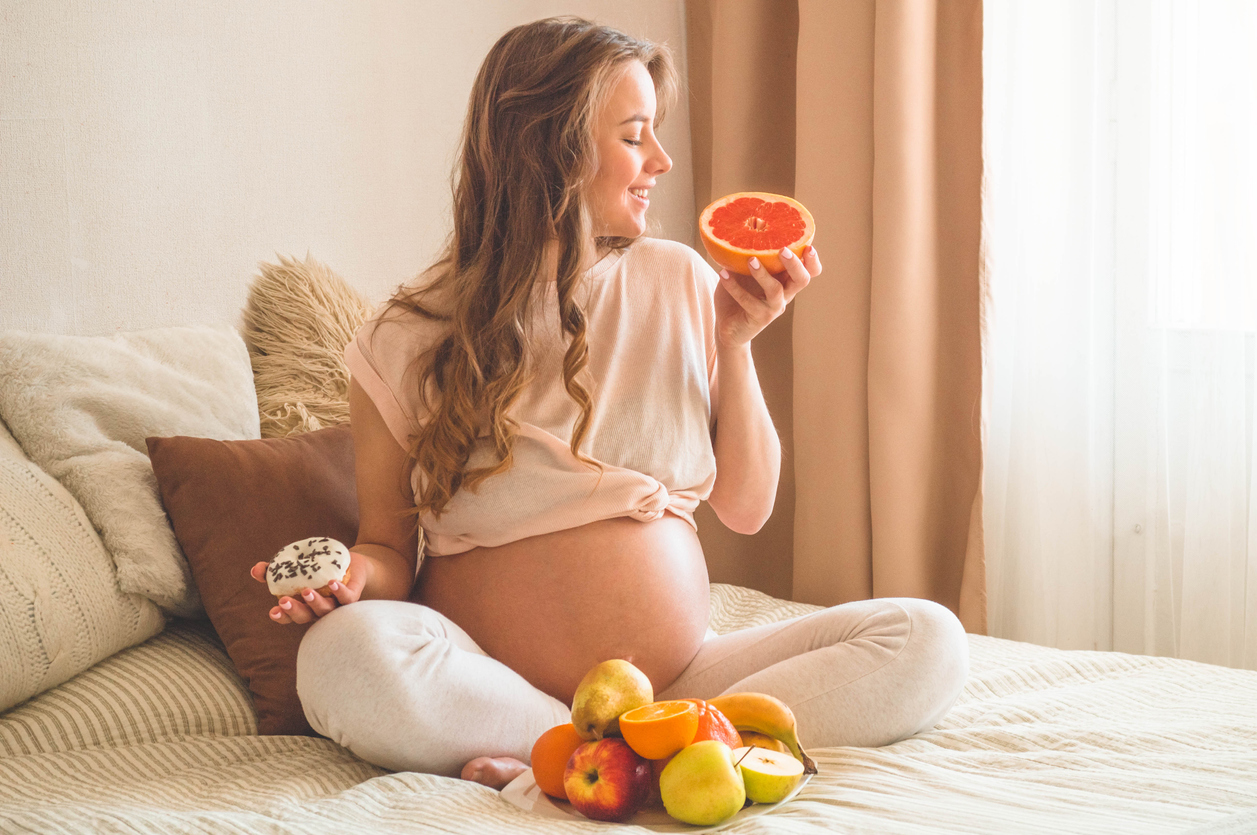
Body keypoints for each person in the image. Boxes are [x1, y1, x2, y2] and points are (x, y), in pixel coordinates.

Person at [249, 16, 969, 789]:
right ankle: (616, 751)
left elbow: (747, 506)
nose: (661, 159)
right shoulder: (406, 334)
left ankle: (587, 759)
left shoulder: (678, 279)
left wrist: (735, 343)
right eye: (633, 136)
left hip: (679, 680)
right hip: (494, 679)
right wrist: (349, 581)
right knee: (340, 655)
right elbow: (389, 550)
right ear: (549, 148)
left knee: (923, 637)